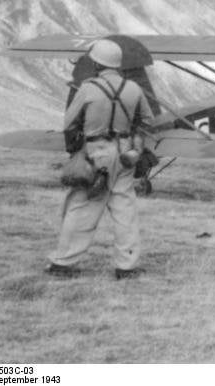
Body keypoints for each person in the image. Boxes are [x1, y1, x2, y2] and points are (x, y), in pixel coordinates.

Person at [46, 39, 154, 280]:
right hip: (126, 154)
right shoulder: (134, 89)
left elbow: (69, 123)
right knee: (124, 210)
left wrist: (77, 151)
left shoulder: (87, 88)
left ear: (96, 63)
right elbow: (146, 122)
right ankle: (126, 266)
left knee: (81, 205)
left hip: (95, 152)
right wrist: (135, 148)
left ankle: (64, 262)